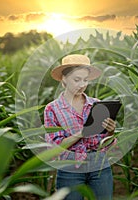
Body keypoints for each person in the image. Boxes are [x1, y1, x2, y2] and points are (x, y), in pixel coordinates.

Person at [44, 54, 117, 200]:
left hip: (99, 164)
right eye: (76, 80)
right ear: (64, 79)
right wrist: (81, 133)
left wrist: (110, 131)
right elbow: (54, 147)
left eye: (85, 80)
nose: (82, 84)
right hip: (70, 167)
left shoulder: (97, 104)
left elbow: (106, 142)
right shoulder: (52, 109)